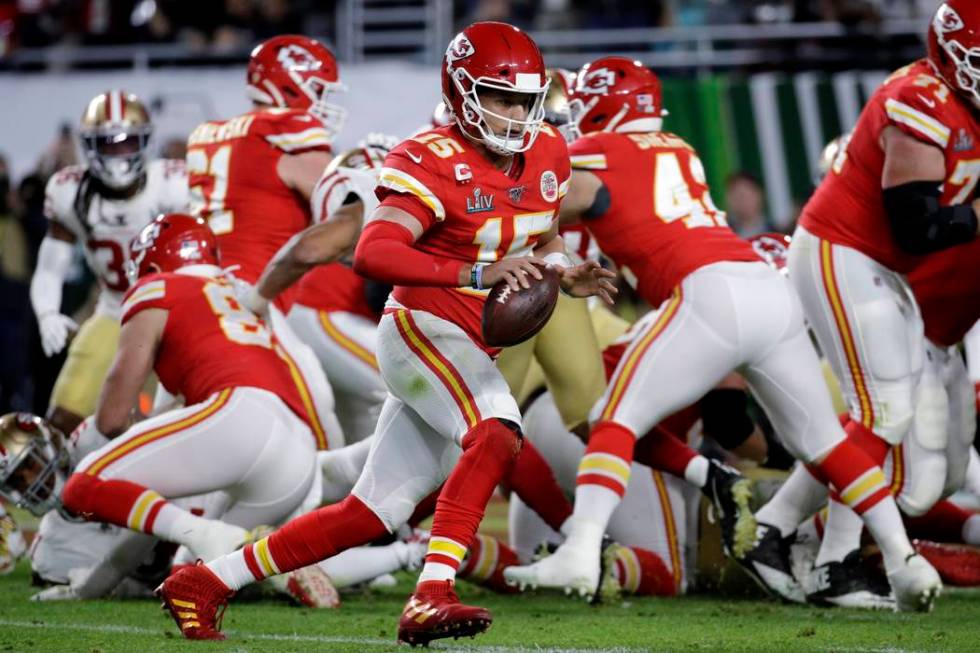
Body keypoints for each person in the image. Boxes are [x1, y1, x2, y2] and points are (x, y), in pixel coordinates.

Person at [157, 21, 615, 644]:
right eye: (499, 97)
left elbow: (545, 239)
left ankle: (206, 582)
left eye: (524, 100)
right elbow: (375, 251)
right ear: (459, 92)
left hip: (468, 338)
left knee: (370, 513)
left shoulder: (549, 155)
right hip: (421, 325)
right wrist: (477, 271)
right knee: (498, 430)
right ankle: (432, 593)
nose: (514, 114)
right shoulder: (428, 157)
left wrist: (566, 272)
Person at [502, 55, 941, 612]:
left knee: (614, 417)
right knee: (827, 442)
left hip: (708, 293)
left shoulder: (601, 151)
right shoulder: (679, 148)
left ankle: (582, 547)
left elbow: (547, 194)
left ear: (606, 103)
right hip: (766, 290)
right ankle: (905, 561)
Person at [765, 0, 979, 605]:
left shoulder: (959, 101)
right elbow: (919, 229)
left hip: (879, 268)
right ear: (952, 56)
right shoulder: (923, 101)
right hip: (843, 253)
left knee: (893, 424)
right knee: (883, 412)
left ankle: (785, 533)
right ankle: (835, 557)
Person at [59, 214, 322, 567]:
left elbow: (111, 418)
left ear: (153, 263)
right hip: (299, 451)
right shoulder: (239, 295)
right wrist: (89, 591)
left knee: (83, 486)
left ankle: (217, 539)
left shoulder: (158, 288)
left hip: (237, 418)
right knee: (189, 570)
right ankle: (268, 564)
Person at [186, 34, 349, 451]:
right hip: (252, 303)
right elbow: (344, 218)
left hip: (197, 299)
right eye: (319, 91)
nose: (323, 104)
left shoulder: (211, 132)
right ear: (292, 86)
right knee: (319, 431)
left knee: (189, 428)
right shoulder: (288, 129)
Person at [30, 90, 189, 437]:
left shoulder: (174, 184)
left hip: (178, 315)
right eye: (108, 144)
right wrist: (47, 314)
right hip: (115, 311)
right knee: (62, 422)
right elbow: (50, 265)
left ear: (145, 141)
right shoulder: (70, 191)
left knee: (166, 430)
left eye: (127, 142)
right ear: (89, 147)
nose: (118, 154)